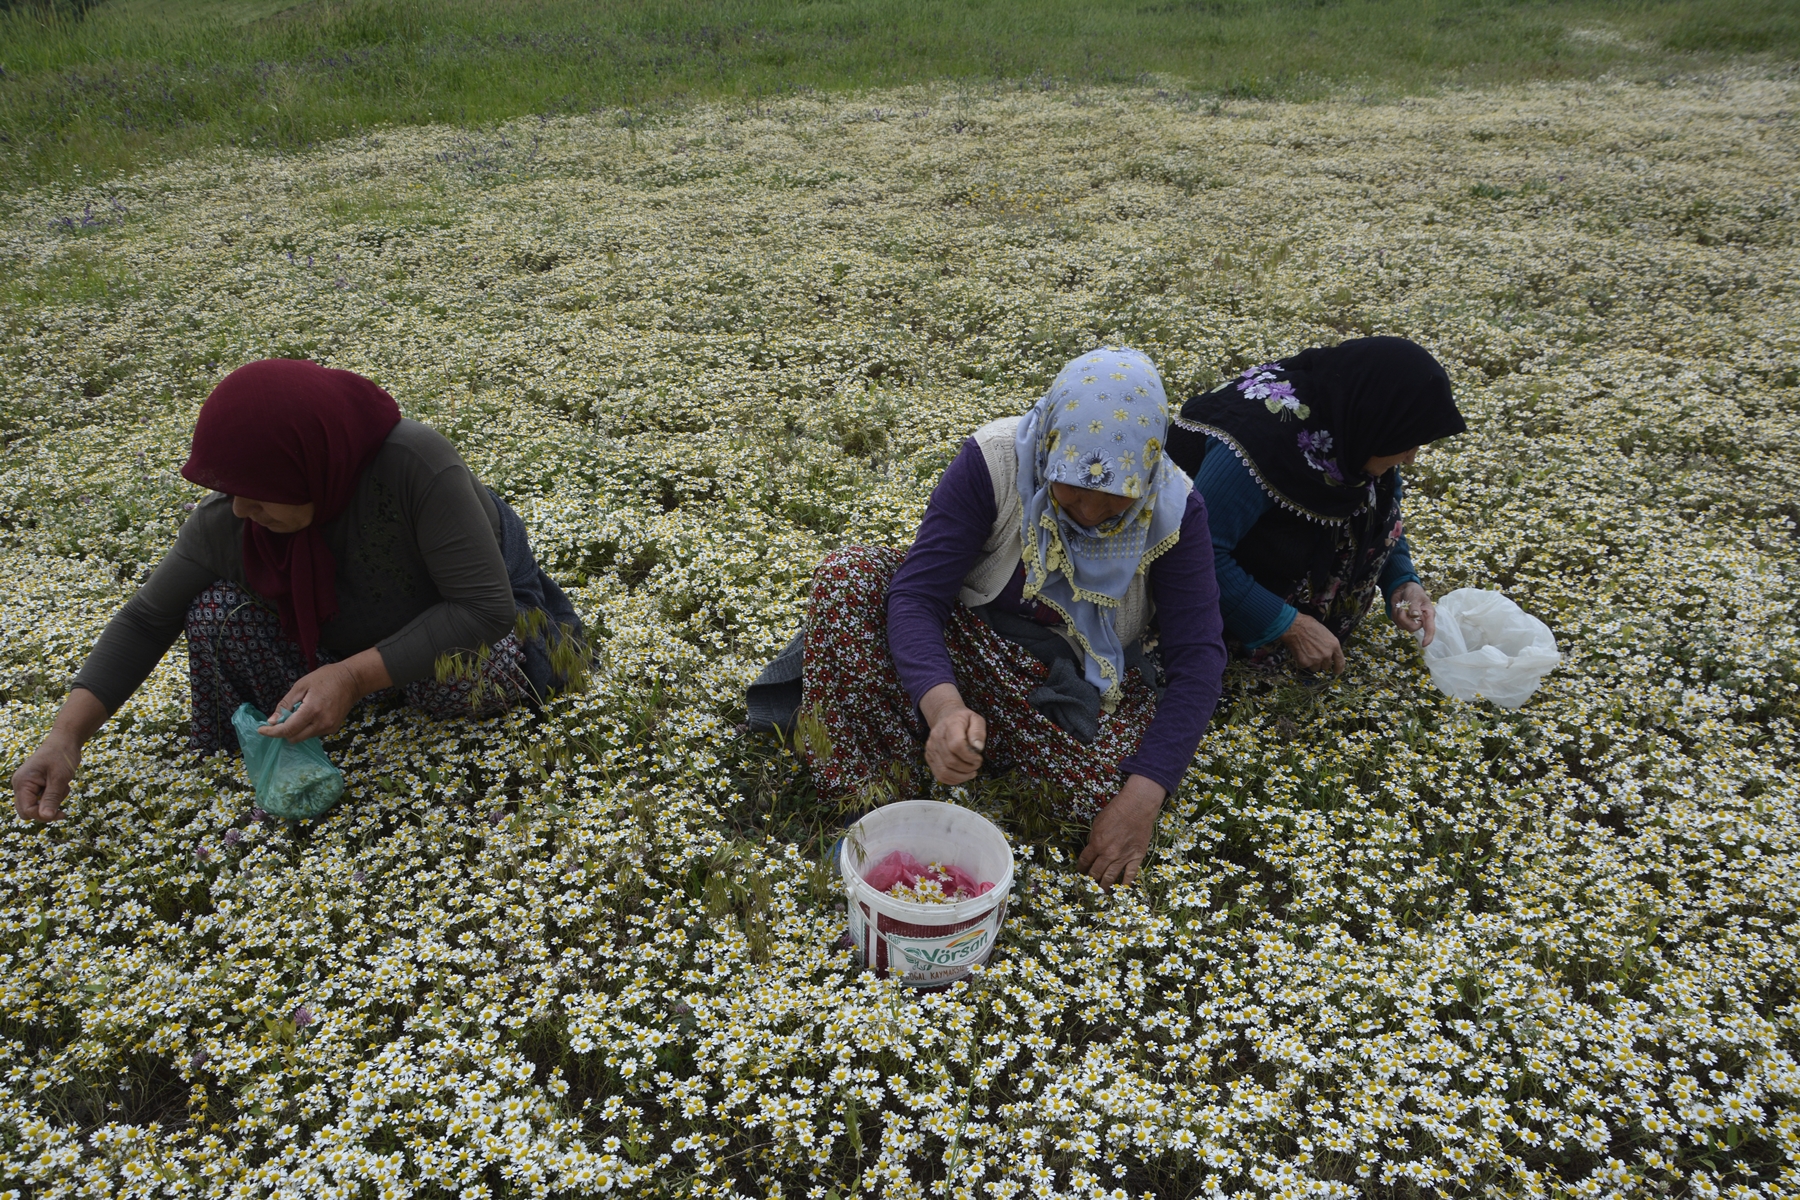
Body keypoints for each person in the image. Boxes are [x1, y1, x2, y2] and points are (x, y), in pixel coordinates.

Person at [12, 360, 583, 823]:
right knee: (216, 614)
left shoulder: (414, 467)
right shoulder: (234, 519)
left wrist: (352, 677)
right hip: (345, 635)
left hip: (467, 616)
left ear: (311, 466)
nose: (239, 509)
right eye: (228, 490)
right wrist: (66, 736)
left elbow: (483, 609)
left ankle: (377, 694)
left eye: (258, 491)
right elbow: (146, 620)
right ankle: (343, 707)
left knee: (461, 679)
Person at [751, 348, 1227, 886]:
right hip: (967, 640)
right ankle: (873, 799)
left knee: (1098, 798)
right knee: (850, 576)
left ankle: (957, 755)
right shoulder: (995, 462)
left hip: (1066, 681)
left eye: (1116, 500)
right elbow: (917, 596)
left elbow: (1198, 658)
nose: (1091, 515)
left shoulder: (1175, 509)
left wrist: (1144, 797)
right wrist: (945, 707)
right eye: (1073, 489)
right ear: (1050, 447)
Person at [1164, 337, 1467, 672]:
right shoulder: (1255, 448)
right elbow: (1193, 553)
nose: (1411, 458)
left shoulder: (1354, 429)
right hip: (1194, 589)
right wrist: (1289, 624)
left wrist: (1403, 581)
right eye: (1408, 444)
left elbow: (1381, 513)